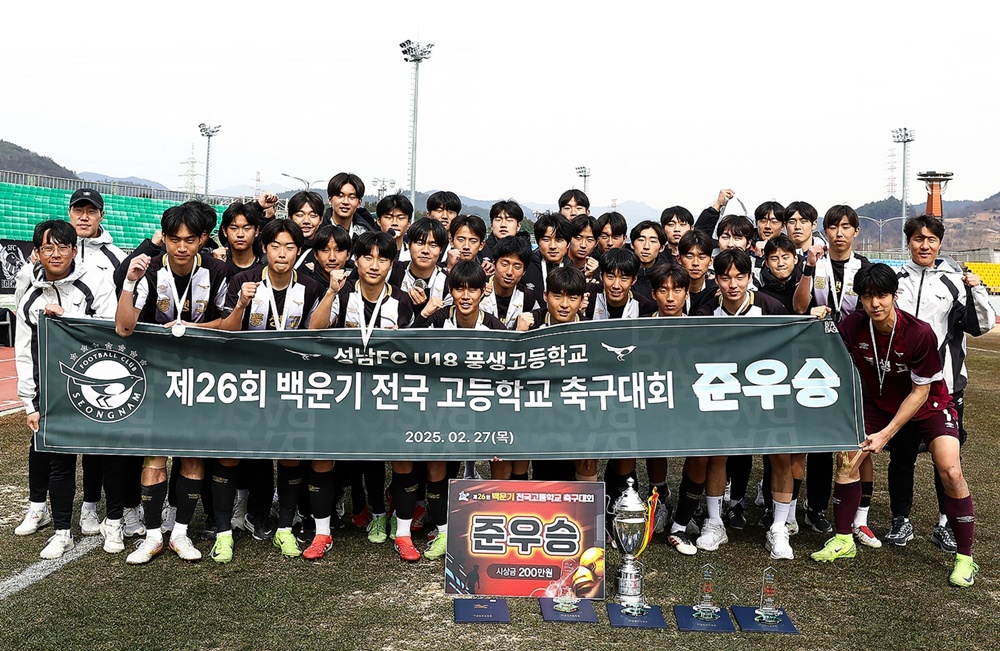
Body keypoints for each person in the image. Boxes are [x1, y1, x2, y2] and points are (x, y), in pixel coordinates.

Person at [812, 264, 979, 588]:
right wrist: (819, 321)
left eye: (882, 295)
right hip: (878, 404)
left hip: (929, 404)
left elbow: (920, 391)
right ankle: (844, 540)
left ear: (894, 295)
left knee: (951, 471)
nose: (875, 303)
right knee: (847, 461)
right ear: (860, 299)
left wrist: (885, 434)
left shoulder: (917, 332)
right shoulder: (854, 325)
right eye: (867, 296)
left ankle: (965, 556)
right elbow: (829, 352)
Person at [115, 201, 230, 565]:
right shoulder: (149, 272)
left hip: (201, 377)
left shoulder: (218, 271)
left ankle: (180, 533)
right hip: (157, 375)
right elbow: (123, 327)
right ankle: (151, 537)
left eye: (190, 239)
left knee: (192, 456)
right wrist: (130, 283)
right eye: (174, 239)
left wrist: (194, 328)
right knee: (155, 456)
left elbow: (231, 326)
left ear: (203, 240)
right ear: (162, 238)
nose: (181, 247)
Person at [13, 188, 131, 541]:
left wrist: (71, 318)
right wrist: (29, 401)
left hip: (95, 378)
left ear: (100, 214)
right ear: (37, 252)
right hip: (52, 388)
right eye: (77, 210)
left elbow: (113, 325)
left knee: (102, 452)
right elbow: (24, 344)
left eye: (90, 210)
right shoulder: (30, 284)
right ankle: (43, 510)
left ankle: (100, 511)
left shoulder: (109, 261)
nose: (84, 216)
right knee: (49, 452)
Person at [213, 219, 325, 562]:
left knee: (289, 452)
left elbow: (318, 333)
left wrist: (331, 293)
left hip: (290, 382)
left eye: (290, 247)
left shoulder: (309, 285)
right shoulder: (242, 280)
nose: (282, 253)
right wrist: (241, 306)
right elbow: (226, 332)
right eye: (276, 246)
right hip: (246, 381)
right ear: (264, 249)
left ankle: (285, 529)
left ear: (298, 251)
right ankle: (222, 534)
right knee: (230, 452)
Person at [886, 215, 995, 550]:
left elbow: (979, 326)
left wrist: (976, 290)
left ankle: (945, 522)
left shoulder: (954, 281)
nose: (925, 245)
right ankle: (900, 520)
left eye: (932, 239)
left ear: (940, 243)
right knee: (901, 456)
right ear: (908, 242)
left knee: (945, 458)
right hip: (902, 385)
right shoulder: (896, 280)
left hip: (943, 385)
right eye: (918, 239)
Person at [313, 231, 417, 560]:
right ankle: (322, 533)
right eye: (367, 257)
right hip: (344, 392)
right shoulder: (342, 294)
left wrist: (403, 341)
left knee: (401, 458)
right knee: (323, 456)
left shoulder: (401, 300)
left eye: (382, 258)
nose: (374, 265)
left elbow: (415, 353)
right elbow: (315, 329)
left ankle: (402, 533)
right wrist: (331, 292)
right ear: (355, 259)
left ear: (391, 263)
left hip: (387, 394)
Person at [693, 249, 791, 559]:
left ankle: (778, 527)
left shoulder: (772, 308)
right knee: (717, 454)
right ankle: (714, 522)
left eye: (739, 277)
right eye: (725, 277)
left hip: (765, 393)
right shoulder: (705, 312)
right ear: (716, 279)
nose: (732, 284)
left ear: (750, 278)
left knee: (779, 456)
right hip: (722, 394)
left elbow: (791, 349)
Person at [413, 261, 507, 559]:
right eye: (459, 289)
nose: (466, 296)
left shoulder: (494, 326)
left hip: (484, 409)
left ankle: (491, 526)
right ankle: (443, 531)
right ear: (451, 290)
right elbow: (408, 351)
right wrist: (423, 315)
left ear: (483, 292)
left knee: (497, 460)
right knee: (436, 464)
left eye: (473, 289)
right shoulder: (439, 319)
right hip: (443, 407)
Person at [794, 204, 872, 540]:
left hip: (854, 359)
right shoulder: (812, 262)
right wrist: (809, 270)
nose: (839, 233)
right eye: (833, 227)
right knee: (821, 439)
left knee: (856, 436)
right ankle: (815, 507)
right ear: (824, 231)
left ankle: (857, 511)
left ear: (856, 232)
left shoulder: (866, 267)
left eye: (845, 227)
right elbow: (798, 307)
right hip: (818, 359)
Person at [480, 235, 540, 330]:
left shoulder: (528, 298)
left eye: (517, 267)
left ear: (524, 271)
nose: (509, 272)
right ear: (494, 263)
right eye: (504, 264)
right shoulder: (478, 291)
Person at [522, 213, 572, 299]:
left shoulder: (573, 272)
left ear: (568, 244)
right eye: (546, 240)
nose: (552, 246)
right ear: (538, 242)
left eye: (559, 240)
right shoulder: (524, 267)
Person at [215, 201, 264, 276]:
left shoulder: (265, 267)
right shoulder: (216, 263)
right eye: (234, 228)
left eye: (246, 228)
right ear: (225, 231)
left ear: (256, 231)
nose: (240, 234)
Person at [629, 220, 668, 301]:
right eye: (641, 240)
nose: (646, 246)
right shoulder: (623, 273)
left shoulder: (668, 275)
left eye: (653, 241)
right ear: (632, 244)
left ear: (661, 248)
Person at [327, 173, 375, 238]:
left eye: (351, 197)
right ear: (330, 200)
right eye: (340, 196)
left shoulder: (366, 235)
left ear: (359, 203)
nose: (345, 202)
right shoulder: (318, 231)